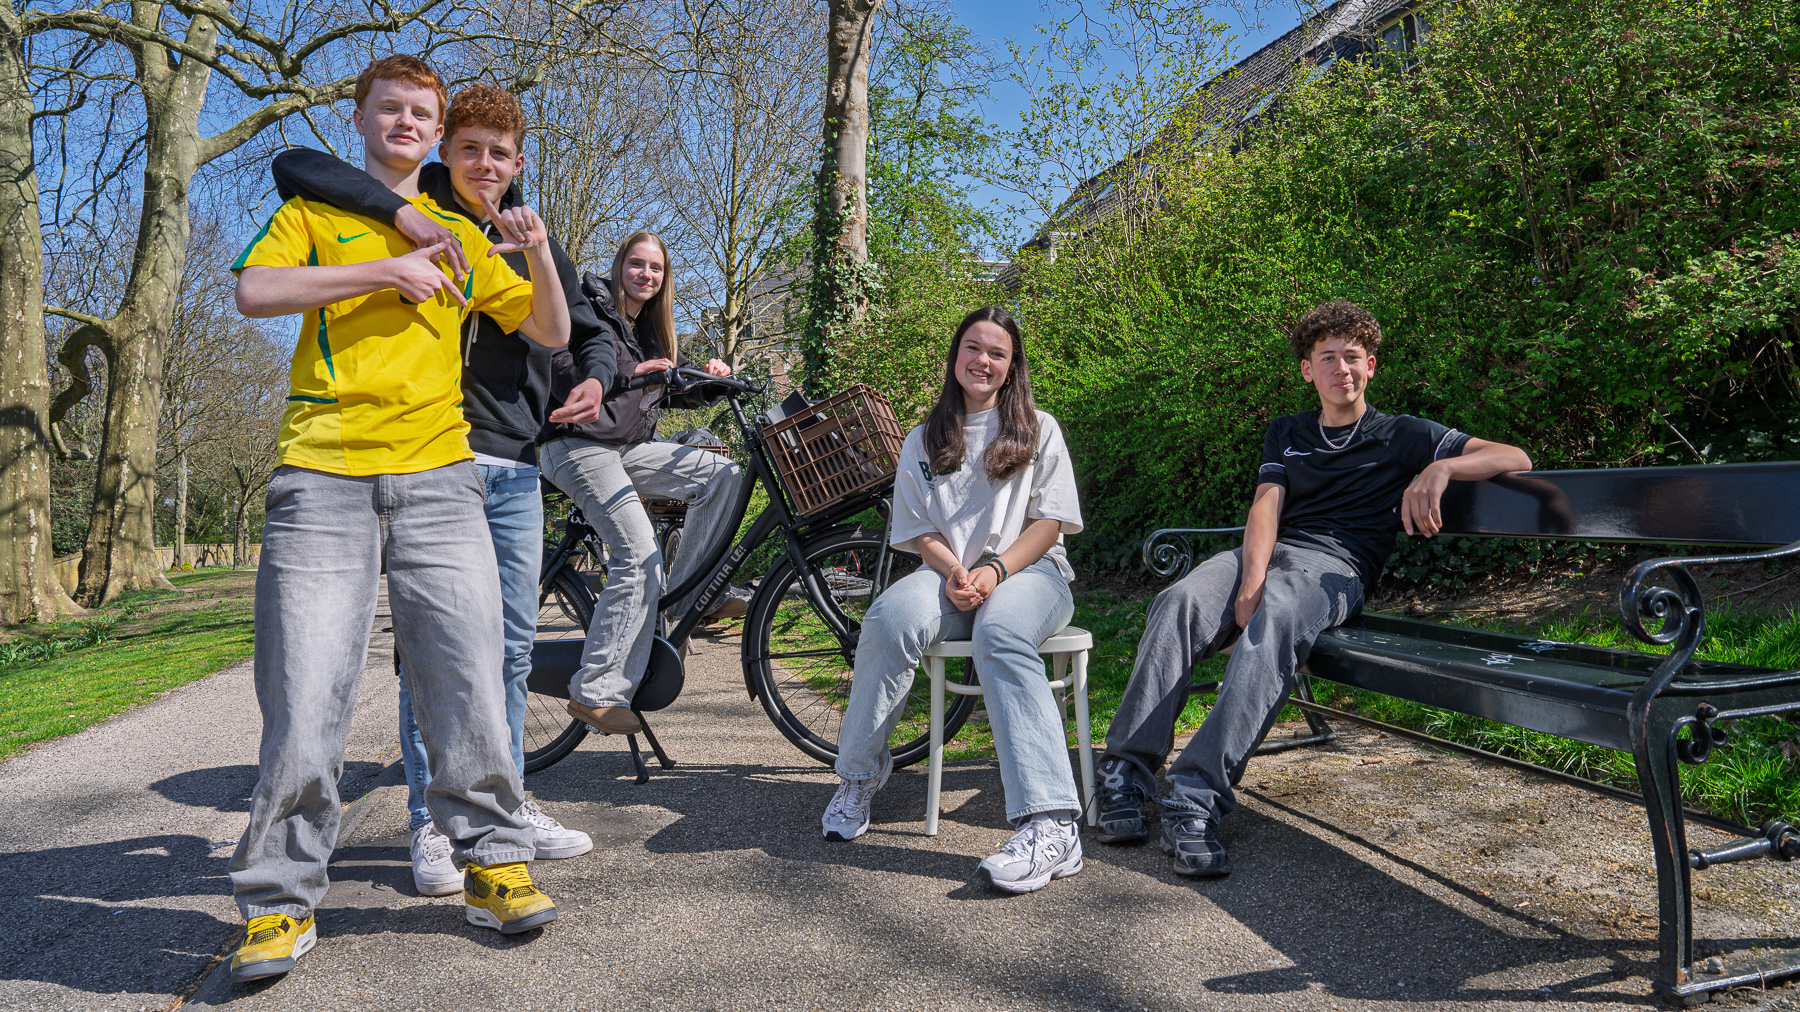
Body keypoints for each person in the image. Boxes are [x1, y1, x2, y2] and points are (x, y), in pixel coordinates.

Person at [226, 55, 570, 983]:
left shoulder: (462, 226)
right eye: (393, 109)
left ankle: (494, 863)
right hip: (321, 474)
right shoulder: (316, 212)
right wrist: (385, 270)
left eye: (423, 111)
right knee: (304, 696)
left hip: (440, 475)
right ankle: (276, 902)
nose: (408, 123)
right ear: (364, 117)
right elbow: (255, 291)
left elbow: (549, 333)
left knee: (466, 675)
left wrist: (534, 248)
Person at [269, 82, 613, 896]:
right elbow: (296, 161)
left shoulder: (524, 228)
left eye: (499, 154)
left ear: (518, 161)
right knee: (435, 656)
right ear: (441, 153)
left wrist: (597, 378)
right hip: (440, 457)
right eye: (467, 149)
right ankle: (432, 821)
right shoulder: (406, 204)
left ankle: (502, 807)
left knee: (511, 649)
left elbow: (575, 328)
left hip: (516, 462)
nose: (484, 164)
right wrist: (405, 225)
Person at [1092, 300, 1533, 877]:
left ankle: (1195, 795)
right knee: (1179, 601)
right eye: (1328, 357)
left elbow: (1515, 457)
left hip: (1334, 570)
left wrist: (1441, 468)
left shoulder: (1404, 435)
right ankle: (1128, 769)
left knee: (1274, 611)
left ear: (1371, 365)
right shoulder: (1289, 433)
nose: (1341, 368)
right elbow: (1266, 507)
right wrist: (1250, 578)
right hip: (1270, 555)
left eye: (1353, 357)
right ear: (1308, 370)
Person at [822, 306, 1087, 895]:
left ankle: (1052, 823)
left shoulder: (1040, 429)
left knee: (1000, 632)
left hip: (1033, 571)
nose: (984, 360)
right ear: (955, 355)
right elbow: (919, 530)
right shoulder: (923, 438)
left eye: (997, 352)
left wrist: (994, 570)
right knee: (889, 619)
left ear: (1012, 365)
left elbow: (1049, 524)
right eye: (974, 347)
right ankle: (860, 776)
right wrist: (955, 572)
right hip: (950, 573)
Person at [537, 232, 742, 736]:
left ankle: (697, 598)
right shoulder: (589, 306)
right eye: (637, 264)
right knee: (638, 551)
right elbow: (566, 369)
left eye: (655, 268)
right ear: (619, 265)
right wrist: (632, 372)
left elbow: (661, 393)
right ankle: (597, 691)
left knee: (724, 475)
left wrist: (709, 379)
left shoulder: (652, 329)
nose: (646, 275)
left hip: (626, 449)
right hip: (575, 443)